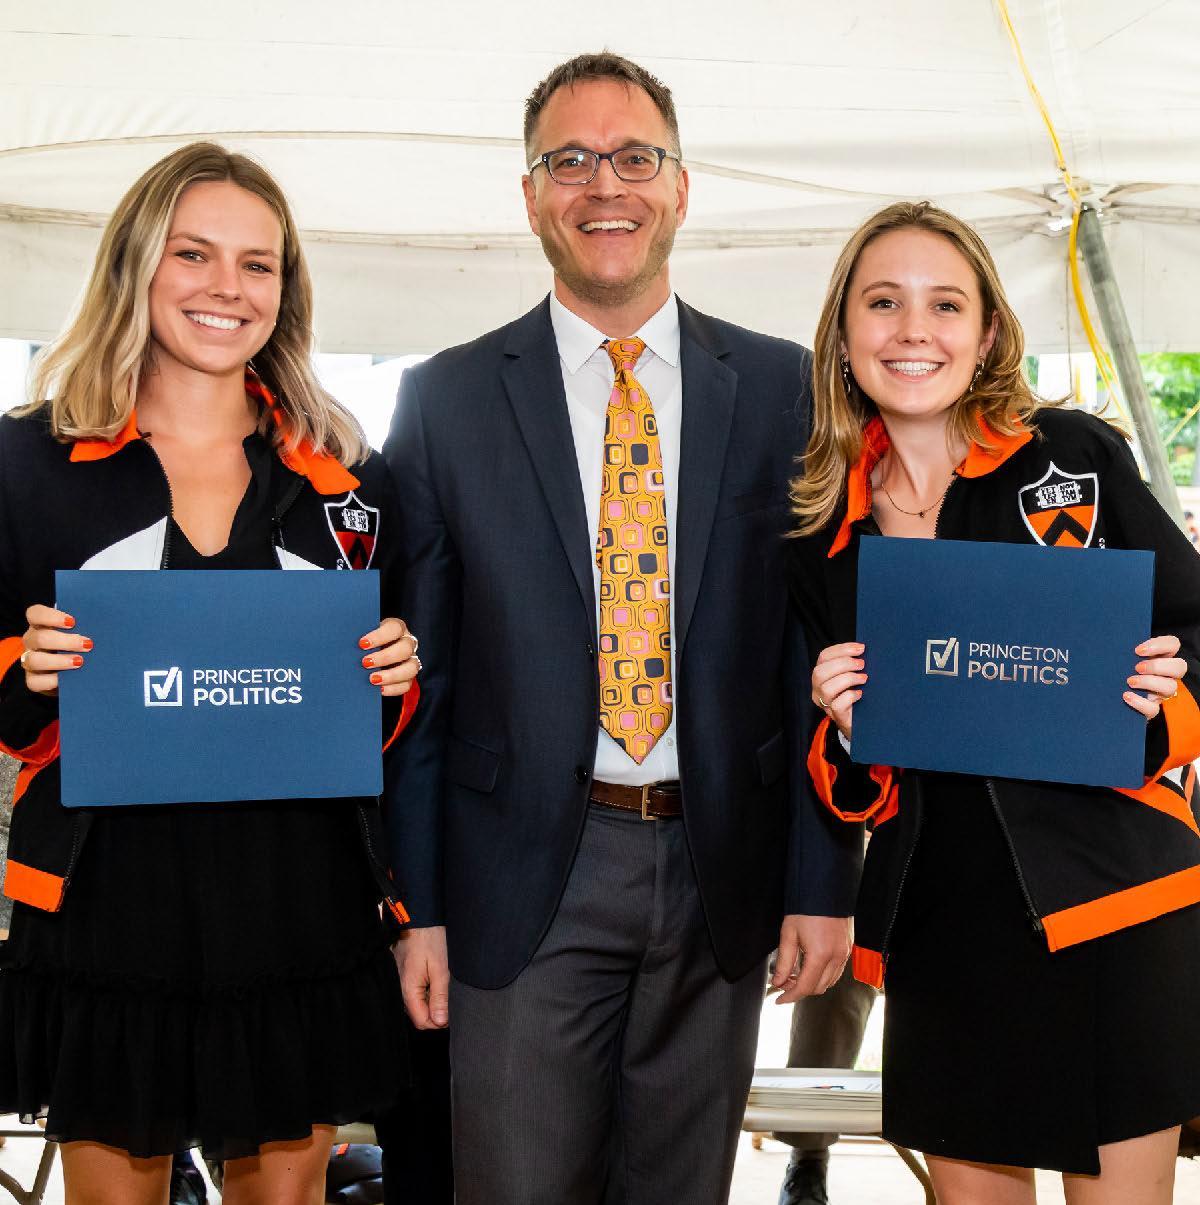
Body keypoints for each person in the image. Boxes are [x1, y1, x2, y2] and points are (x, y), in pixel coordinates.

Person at [382, 51, 860, 1205]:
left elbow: (818, 659)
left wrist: (822, 878)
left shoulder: (791, 390)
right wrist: (417, 906)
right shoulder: (443, 401)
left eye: (636, 156)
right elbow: (414, 686)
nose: (607, 184)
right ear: (533, 192)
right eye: (571, 160)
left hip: (724, 875)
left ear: (681, 186)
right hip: (516, 885)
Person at [0, 142, 421, 1205]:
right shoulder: (25, 463)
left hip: (299, 906)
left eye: (258, 264)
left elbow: (390, 709)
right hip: (107, 908)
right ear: (137, 266)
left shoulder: (349, 480)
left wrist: (395, 673)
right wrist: (26, 668)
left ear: (288, 289)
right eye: (194, 254)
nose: (227, 287)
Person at [787, 200, 1200, 1204]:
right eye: (883, 303)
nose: (913, 330)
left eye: (945, 304)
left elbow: (1197, 626)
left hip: (1119, 900)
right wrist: (846, 729)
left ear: (986, 336)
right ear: (845, 338)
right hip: (942, 919)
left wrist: (1159, 699)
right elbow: (845, 776)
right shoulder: (821, 533)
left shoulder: (1075, 456)